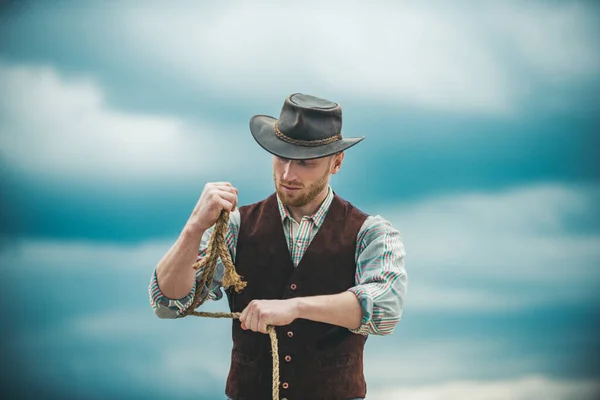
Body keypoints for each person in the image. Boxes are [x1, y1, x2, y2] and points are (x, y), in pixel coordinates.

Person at [148, 93, 407, 400]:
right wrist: (194, 227)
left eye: (305, 163)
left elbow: (385, 310)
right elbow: (168, 305)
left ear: (336, 162)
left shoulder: (370, 232)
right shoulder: (236, 226)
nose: (288, 174)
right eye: (281, 157)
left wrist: (294, 307)